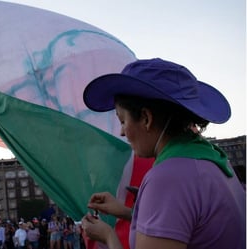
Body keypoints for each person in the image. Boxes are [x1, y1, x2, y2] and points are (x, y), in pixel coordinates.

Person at [81, 58, 246, 249]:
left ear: (146, 118)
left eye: (123, 120)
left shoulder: (168, 178)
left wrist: (108, 236)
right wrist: (128, 212)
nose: (122, 132)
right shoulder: (213, 159)